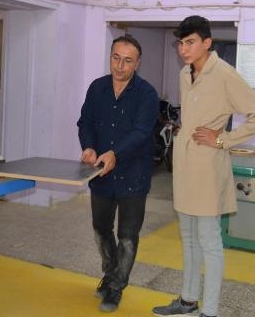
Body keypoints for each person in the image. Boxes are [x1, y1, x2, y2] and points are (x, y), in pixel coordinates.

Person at [152, 15, 255, 317]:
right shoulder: (185, 73)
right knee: (189, 237)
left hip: (208, 167)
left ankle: (210, 311)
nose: (184, 49)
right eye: (180, 43)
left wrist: (224, 139)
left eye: (190, 42)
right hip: (184, 165)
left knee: (209, 242)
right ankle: (188, 299)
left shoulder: (225, 74)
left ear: (207, 42)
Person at [77, 34, 159, 312]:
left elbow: (141, 132)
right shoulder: (97, 88)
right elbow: (85, 122)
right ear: (110, 56)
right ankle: (111, 272)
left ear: (137, 63)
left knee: (127, 235)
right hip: (101, 173)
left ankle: (115, 287)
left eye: (127, 61)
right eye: (116, 58)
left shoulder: (147, 94)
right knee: (101, 228)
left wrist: (115, 153)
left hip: (134, 174)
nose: (120, 66)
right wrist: (89, 147)